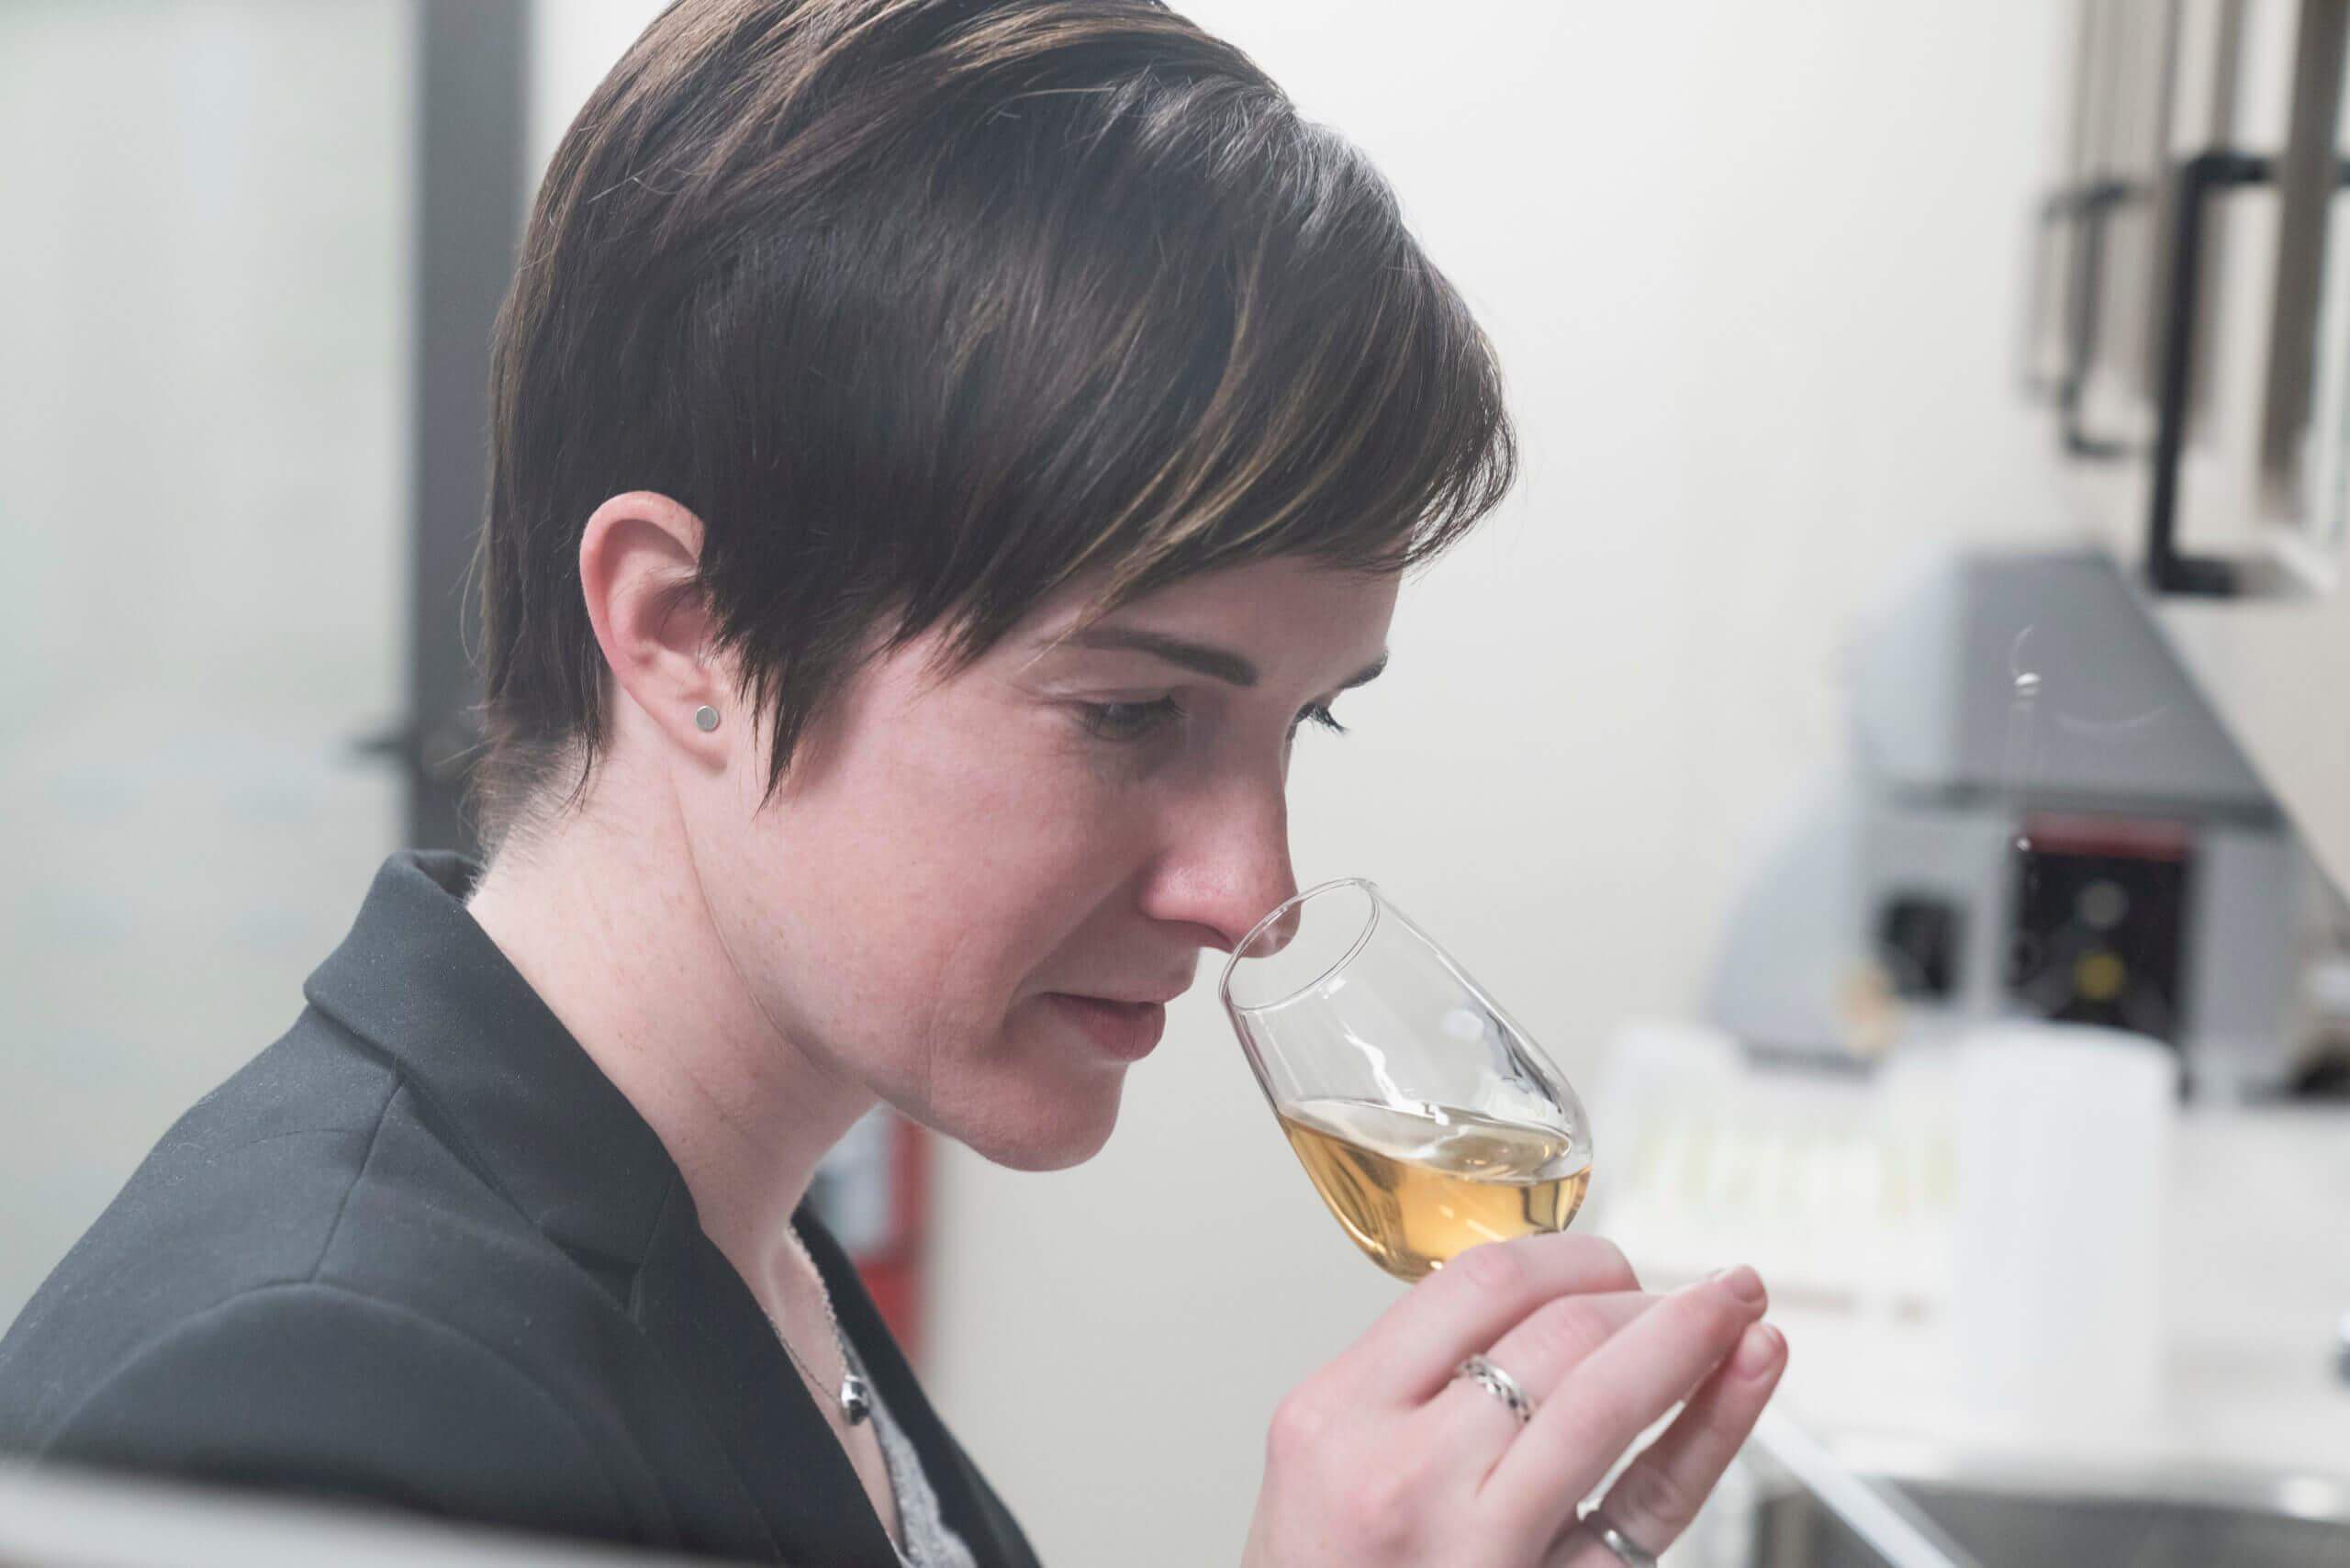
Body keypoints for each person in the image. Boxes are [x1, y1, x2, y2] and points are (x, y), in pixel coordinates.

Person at [0, 1, 1785, 1563]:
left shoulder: (733, 1232)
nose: (1250, 891)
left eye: (1302, 723)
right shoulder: (322, 1402)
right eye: (1131, 711)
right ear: (684, 628)